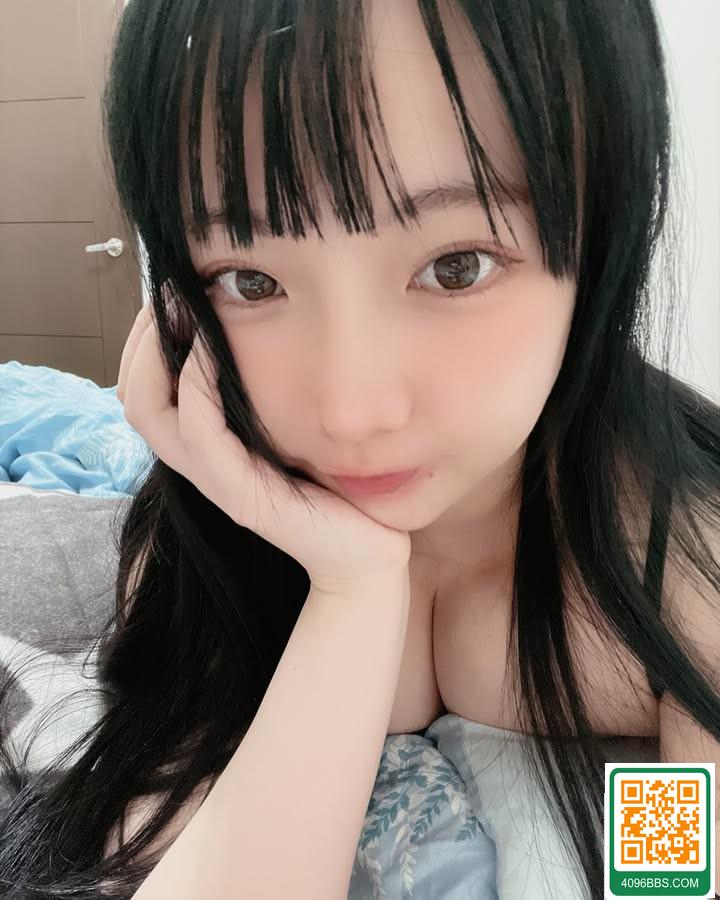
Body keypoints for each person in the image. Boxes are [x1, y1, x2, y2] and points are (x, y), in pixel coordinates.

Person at [1, 0, 719, 897]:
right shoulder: (203, 556)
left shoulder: (679, 577)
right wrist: (352, 590)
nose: (350, 413)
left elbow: (671, 879)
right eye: (249, 279)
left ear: (604, 243)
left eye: (456, 266)